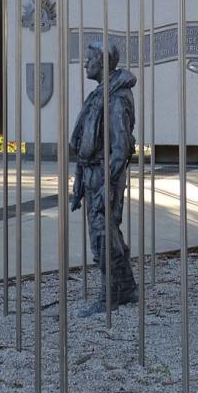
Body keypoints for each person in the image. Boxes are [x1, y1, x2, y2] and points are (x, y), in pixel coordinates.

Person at [69, 41, 139, 317]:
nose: (85, 64)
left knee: (102, 236)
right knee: (108, 232)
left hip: (104, 175)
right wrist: (79, 180)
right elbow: (85, 143)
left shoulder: (116, 99)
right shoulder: (99, 94)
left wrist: (107, 185)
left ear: (103, 62)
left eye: (90, 59)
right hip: (92, 173)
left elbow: (120, 149)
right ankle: (127, 287)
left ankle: (108, 295)